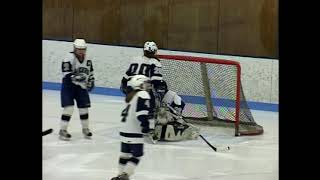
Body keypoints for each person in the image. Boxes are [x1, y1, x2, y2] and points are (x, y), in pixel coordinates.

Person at [111, 75, 153, 180]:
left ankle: (119, 175)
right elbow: (141, 113)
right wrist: (145, 126)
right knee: (137, 155)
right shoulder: (143, 94)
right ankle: (125, 175)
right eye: (145, 83)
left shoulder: (130, 96)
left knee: (124, 155)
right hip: (134, 132)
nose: (147, 86)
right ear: (139, 84)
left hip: (124, 130)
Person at [120, 41, 163, 130]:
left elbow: (126, 75)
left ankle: (133, 121)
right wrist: (159, 88)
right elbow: (156, 80)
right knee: (150, 104)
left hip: (130, 87)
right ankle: (148, 124)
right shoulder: (154, 61)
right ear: (154, 51)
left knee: (133, 105)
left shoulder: (135, 59)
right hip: (143, 87)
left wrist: (123, 83)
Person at [59, 38, 95, 141]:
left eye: (83, 49)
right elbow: (66, 73)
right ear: (75, 48)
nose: (81, 51)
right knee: (69, 108)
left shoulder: (88, 59)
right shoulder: (69, 57)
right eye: (79, 49)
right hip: (69, 87)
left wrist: (91, 81)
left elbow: (91, 72)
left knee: (84, 108)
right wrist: (75, 77)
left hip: (81, 87)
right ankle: (63, 130)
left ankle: (85, 129)